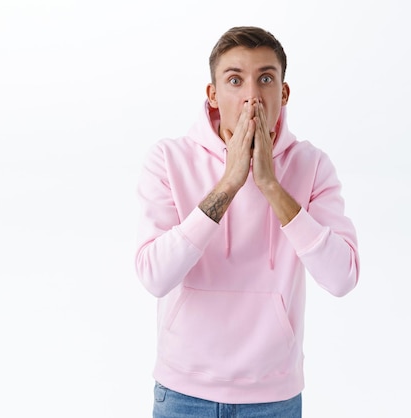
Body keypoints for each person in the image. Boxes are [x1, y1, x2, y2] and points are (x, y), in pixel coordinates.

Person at [134, 26, 360, 418]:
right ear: (214, 95)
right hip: (183, 393)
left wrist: (271, 186)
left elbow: (342, 278)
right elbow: (154, 276)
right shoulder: (168, 159)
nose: (252, 96)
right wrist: (229, 182)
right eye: (235, 80)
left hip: (273, 397)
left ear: (283, 94)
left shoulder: (312, 165)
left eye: (266, 79)